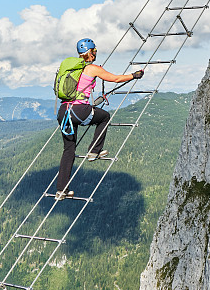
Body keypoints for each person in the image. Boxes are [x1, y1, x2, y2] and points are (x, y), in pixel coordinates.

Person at [55, 38, 144, 200]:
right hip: (78, 110)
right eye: (94, 51)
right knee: (104, 117)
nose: (96, 53)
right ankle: (93, 151)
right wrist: (134, 75)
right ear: (89, 52)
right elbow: (115, 79)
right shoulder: (92, 69)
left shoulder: (70, 69)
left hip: (63, 111)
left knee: (68, 150)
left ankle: (61, 190)